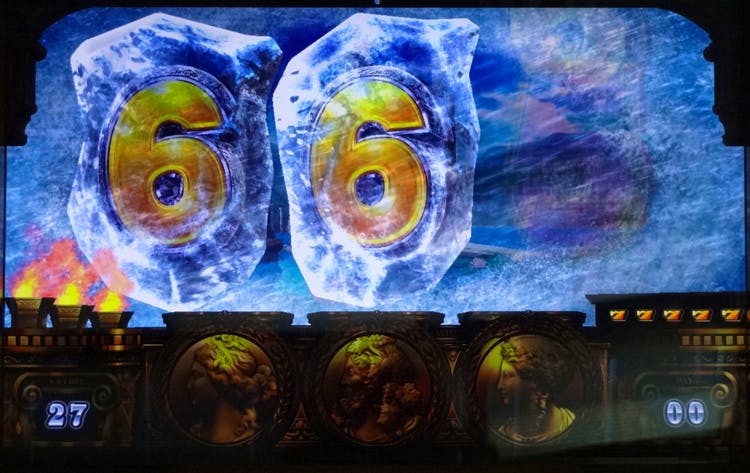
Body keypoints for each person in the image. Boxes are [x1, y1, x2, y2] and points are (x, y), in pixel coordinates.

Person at [186, 334, 278, 444]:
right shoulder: (201, 433)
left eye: (196, 376)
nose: (188, 385)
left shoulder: (245, 438)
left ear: (221, 379)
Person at [332, 334, 423, 443]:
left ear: (376, 379)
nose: (343, 381)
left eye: (350, 372)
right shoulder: (344, 430)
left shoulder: (412, 428)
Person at [494, 339, 576, 443]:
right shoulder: (504, 434)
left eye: (507, 376)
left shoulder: (572, 426)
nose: (500, 386)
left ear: (541, 386)